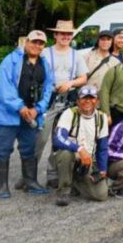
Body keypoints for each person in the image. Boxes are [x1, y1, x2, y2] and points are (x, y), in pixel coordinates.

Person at [0, 29, 54, 198]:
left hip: (31, 115)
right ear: (26, 42)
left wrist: (38, 109)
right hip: (8, 115)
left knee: (28, 149)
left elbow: (48, 89)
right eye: (34, 42)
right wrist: (20, 107)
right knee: (3, 150)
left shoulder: (44, 64)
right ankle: (2, 186)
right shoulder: (10, 61)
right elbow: (4, 88)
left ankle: (30, 181)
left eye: (41, 43)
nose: (37, 46)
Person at [37, 20, 87, 188]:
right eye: (62, 33)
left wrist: (70, 83)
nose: (65, 37)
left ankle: (52, 175)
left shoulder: (76, 55)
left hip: (67, 102)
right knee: (40, 138)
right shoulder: (44, 53)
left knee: (59, 139)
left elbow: (83, 78)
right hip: (46, 102)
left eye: (68, 34)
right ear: (55, 35)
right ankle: (28, 174)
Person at [51, 84, 109, 205]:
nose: (88, 101)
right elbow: (58, 138)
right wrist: (79, 149)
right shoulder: (69, 113)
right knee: (65, 154)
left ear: (97, 101)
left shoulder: (102, 118)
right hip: (72, 155)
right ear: (78, 101)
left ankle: (76, 181)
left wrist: (102, 169)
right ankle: (64, 190)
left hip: (88, 162)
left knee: (101, 195)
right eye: (84, 98)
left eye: (91, 98)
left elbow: (103, 148)